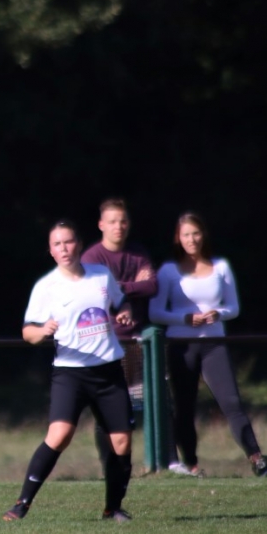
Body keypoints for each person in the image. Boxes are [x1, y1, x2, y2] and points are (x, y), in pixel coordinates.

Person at [3, 220, 135, 523]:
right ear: (51, 251)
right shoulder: (46, 286)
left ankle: (112, 508)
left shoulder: (101, 276)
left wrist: (125, 312)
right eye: (57, 244)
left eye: (69, 242)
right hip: (71, 373)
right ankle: (22, 503)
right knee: (60, 435)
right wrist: (43, 330)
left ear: (79, 244)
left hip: (108, 370)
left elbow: (121, 302)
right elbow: (27, 333)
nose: (64, 248)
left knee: (122, 442)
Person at [149, 212, 267, 478]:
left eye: (196, 233)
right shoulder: (168, 271)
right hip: (182, 345)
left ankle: (257, 459)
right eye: (186, 234)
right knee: (185, 405)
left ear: (203, 235)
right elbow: (155, 313)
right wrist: (185, 318)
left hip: (214, 344)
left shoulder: (220, 267)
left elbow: (233, 307)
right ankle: (190, 464)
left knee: (231, 401)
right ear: (178, 238)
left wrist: (217, 314)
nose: (192, 239)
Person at [79, 199, 163, 468]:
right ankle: (109, 466)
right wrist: (126, 290)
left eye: (123, 221)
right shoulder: (92, 257)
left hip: (137, 343)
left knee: (143, 406)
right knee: (106, 409)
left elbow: (151, 286)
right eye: (113, 221)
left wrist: (118, 288)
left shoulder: (138, 253)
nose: (119, 226)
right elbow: (92, 294)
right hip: (105, 343)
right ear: (101, 224)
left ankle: (159, 463)